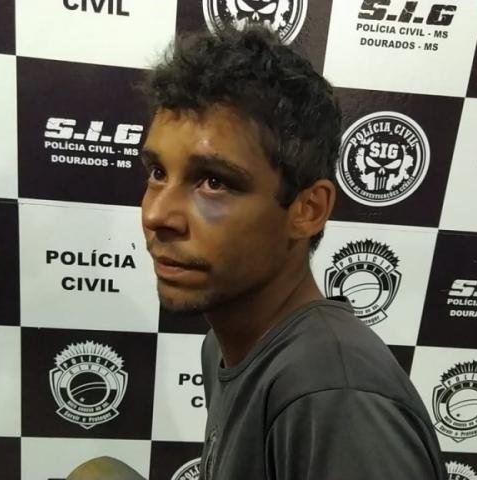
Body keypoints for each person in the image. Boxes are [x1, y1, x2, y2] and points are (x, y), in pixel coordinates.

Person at [138, 26, 448, 480]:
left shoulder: (333, 397)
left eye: (214, 182)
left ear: (308, 210)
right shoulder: (226, 345)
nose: (157, 215)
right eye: (157, 172)